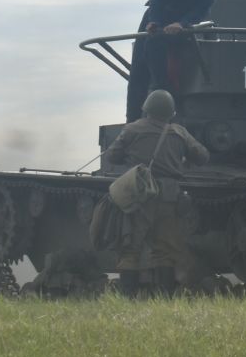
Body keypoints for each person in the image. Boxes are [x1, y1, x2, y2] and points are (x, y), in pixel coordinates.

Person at [90, 89, 212, 295]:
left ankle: (129, 297)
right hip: (169, 198)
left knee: (130, 248)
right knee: (165, 250)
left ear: (146, 109)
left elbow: (112, 156)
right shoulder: (179, 132)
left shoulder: (132, 129)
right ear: (170, 113)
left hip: (138, 196)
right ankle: (164, 298)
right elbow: (203, 157)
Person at [125, 0, 218, 120]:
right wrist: (154, 21)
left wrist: (181, 24)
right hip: (159, 16)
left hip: (184, 24)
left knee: (156, 45)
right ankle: (132, 120)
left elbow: (198, 13)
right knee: (139, 68)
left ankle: (164, 89)